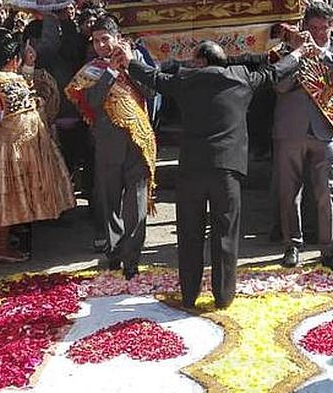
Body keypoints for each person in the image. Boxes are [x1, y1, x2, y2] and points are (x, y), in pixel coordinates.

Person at [123, 40, 299, 307]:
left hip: (192, 167)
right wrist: (297, 53)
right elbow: (274, 73)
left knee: (190, 233)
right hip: (227, 169)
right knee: (225, 234)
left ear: (201, 61)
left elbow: (155, 78)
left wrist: (129, 61)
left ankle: (189, 294)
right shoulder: (241, 77)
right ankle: (223, 296)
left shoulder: (186, 79)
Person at [65, 16, 155, 279]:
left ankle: (132, 257)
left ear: (118, 38)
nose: (101, 45)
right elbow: (90, 101)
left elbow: (152, 91)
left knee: (137, 200)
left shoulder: (137, 60)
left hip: (138, 139)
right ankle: (114, 252)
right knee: (109, 198)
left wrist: (131, 65)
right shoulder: (92, 69)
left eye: (105, 39)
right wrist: (112, 72)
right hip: (107, 139)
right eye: (96, 41)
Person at [273, 3, 333, 271]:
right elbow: (279, 84)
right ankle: (292, 245)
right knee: (289, 191)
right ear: (304, 26)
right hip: (291, 129)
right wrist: (299, 58)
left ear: (331, 26)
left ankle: (328, 249)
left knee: (328, 191)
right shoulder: (287, 50)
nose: (319, 33)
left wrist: (321, 54)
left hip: (325, 128)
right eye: (314, 28)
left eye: (324, 28)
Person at [0, 33, 75, 262]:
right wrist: (40, 101)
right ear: (14, 60)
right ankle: (1, 247)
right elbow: (34, 106)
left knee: (0, 202)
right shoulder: (8, 83)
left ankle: (0, 243)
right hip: (11, 150)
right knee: (7, 202)